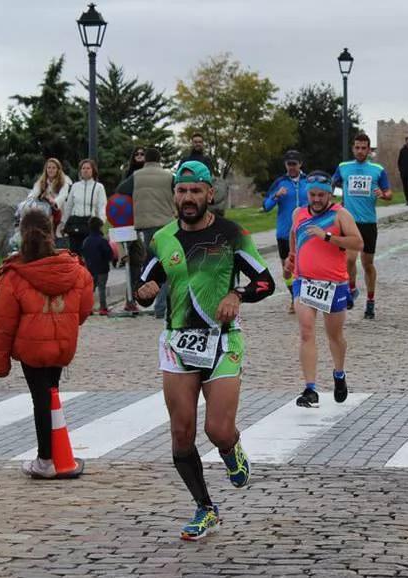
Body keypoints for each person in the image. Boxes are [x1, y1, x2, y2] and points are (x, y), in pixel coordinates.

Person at [134, 160, 275, 540]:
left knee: (217, 429)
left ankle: (231, 449)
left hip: (223, 340)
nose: (189, 197)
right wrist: (144, 293)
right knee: (181, 435)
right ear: (174, 195)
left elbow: (265, 282)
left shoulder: (231, 233)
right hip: (178, 343)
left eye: (196, 191)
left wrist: (237, 293)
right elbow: (146, 282)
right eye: (182, 191)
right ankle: (205, 508)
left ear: (210, 194)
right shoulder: (162, 238)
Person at [0, 210, 93, 479]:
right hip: (61, 347)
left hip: (31, 350)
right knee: (51, 394)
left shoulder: (14, 274)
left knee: (40, 399)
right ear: (52, 231)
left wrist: (0, 363)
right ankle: (54, 452)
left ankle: (46, 458)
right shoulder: (75, 270)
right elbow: (83, 309)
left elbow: (3, 323)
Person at [286, 171, 363, 408]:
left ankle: (339, 374)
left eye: (321, 195)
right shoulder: (299, 213)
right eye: (312, 194)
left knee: (335, 336)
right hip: (305, 282)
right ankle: (310, 389)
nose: (316, 199)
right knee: (306, 331)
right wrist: (291, 256)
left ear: (329, 193)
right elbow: (293, 233)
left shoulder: (340, 215)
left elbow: (358, 243)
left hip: (334, 284)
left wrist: (327, 236)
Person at [333, 134, 392, 319]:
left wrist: (382, 194)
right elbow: (332, 184)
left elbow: (389, 193)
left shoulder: (377, 170)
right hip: (349, 222)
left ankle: (371, 301)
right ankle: (351, 289)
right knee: (349, 260)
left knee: (367, 264)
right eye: (357, 147)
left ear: (369, 150)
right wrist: (337, 196)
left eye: (364, 148)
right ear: (353, 148)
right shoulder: (344, 167)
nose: (360, 151)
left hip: (368, 223)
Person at [116, 147, 175, 316]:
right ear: (159, 159)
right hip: (166, 223)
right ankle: (161, 306)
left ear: (146, 160)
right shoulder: (169, 176)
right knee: (166, 264)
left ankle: (158, 305)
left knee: (153, 264)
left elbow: (121, 190)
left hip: (146, 225)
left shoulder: (136, 176)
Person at [263, 150, 309, 313]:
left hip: (305, 232)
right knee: (288, 269)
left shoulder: (308, 181)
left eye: (294, 164)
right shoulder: (280, 182)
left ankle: (302, 299)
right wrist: (276, 196)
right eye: (288, 164)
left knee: (305, 268)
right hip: (284, 233)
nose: (291, 167)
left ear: (300, 164)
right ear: (285, 165)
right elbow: (266, 206)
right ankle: (294, 296)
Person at [60, 159, 107, 254]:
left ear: (93, 170)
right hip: (75, 223)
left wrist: (101, 221)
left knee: (91, 253)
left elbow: (102, 206)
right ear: (80, 171)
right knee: (75, 253)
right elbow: (69, 206)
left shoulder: (99, 187)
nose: (85, 170)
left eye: (88, 168)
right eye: (83, 168)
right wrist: (63, 223)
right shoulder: (75, 186)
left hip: (91, 224)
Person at [24, 159, 70, 248]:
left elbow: (62, 197)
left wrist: (52, 200)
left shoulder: (64, 183)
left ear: (58, 170)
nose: (51, 170)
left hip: (59, 214)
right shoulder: (40, 182)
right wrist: (35, 198)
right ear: (46, 169)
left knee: (58, 241)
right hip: (44, 214)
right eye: (49, 168)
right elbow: (33, 195)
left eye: (53, 168)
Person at [178, 133, 226, 216]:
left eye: (200, 142)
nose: (198, 144)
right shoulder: (185, 160)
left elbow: (209, 179)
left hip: (203, 196)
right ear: (192, 143)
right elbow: (179, 179)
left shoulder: (207, 160)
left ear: (203, 144)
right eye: (195, 142)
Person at [81, 217, 114, 315]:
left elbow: (83, 254)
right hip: (102, 268)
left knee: (90, 289)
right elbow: (109, 254)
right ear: (100, 227)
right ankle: (103, 308)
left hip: (90, 269)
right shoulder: (102, 240)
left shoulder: (86, 241)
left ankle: (88, 308)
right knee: (102, 288)